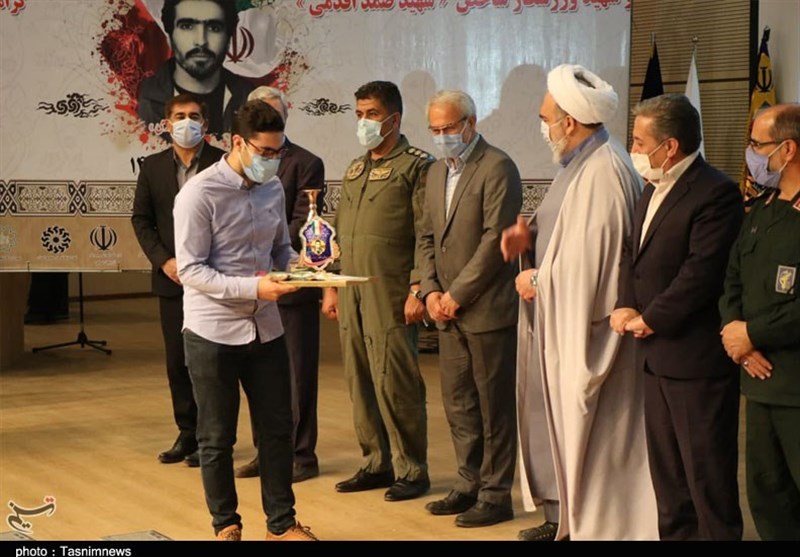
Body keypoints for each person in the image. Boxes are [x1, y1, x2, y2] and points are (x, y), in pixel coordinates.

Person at [502, 65, 656, 541]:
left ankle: (585, 524)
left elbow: (594, 266)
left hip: (587, 330)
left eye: (545, 118)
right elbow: (566, 236)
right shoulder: (578, 164)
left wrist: (538, 279)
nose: (544, 127)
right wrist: (530, 237)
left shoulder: (603, 172)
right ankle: (564, 519)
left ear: (569, 122)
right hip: (560, 322)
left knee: (593, 433)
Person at [173, 100, 317, 541]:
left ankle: (282, 524)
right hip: (212, 330)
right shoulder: (199, 193)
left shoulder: (272, 189)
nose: (273, 161)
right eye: (265, 152)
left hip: (266, 327)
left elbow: (279, 250)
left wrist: (304, 267)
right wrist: (255, 288)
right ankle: (226, 524)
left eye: (278, 152)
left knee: (277, 430)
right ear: (237, 143)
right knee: (217, 436)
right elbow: (191, 270)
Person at [611, 93, 744, 540]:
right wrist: (627, 303)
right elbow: (633, 254)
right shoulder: (650, 188)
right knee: (668, 480)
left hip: (695, 360)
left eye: (638, 141)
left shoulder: (715, 192)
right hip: (654, 358)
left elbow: (701, 272)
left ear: (669, 146)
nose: (633, 149)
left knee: (707, 478)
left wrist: (651, 317)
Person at [321, 81, 431, 502]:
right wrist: (332, 285)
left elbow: (426, 232)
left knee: (395, 379)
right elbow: (340, 234)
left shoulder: (416, 166)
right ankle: (375, 462)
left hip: (391, 289)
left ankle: (412, 468)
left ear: (394, 119)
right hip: (351, 289)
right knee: (360, 377)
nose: (363, 122)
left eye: (372, 114)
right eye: (359, 115)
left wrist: (418, 287)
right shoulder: (355, 169)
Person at [418, 90, 522, 528]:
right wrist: (429, 292)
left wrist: (457, 295)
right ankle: (467, 483)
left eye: (448, 128)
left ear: (470, 124)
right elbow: (426, 236)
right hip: (445, 310)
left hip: (485, 310)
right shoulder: (435, 171)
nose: (441, 136)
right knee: (459, 403)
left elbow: (495, 241)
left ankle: (496, 495)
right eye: (435, 129)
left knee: (493, 407)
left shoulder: (497, 167)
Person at [234, 86, 325, 483]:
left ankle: (301, 455)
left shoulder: (306, 163)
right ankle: (267, 451)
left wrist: (267, 254)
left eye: (272, 114)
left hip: (290, 286)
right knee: (260, 378)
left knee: (297, 376)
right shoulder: (240, 165)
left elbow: (303, 222)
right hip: (253, 289)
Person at [719, 103, 800, 541]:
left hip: (794, 383)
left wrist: (752, 333)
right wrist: (737, 335)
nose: (751, 154)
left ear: (787, 149)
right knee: (767, 497)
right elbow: (733, 277)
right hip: (758, 380)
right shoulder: (763, 209)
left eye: (757, 145)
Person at [132, 92, 224, 468]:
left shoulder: (223, 163)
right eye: (180, 116)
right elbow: (141, 220)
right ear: (167, 124)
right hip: (172, 280)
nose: (187, 122)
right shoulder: (152, 167)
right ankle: (187, 433)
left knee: (212, 362)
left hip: (214, 280)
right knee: (177, 361)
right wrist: (163, 261)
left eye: (194, 116)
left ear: (206, 123)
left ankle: (212, 437)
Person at [137, 0, 254, 135]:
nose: (201, 41)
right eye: (187, 26)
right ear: (169, 37)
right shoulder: (143, 102)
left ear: (228, 39)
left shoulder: (250, 100)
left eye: (214, 28)